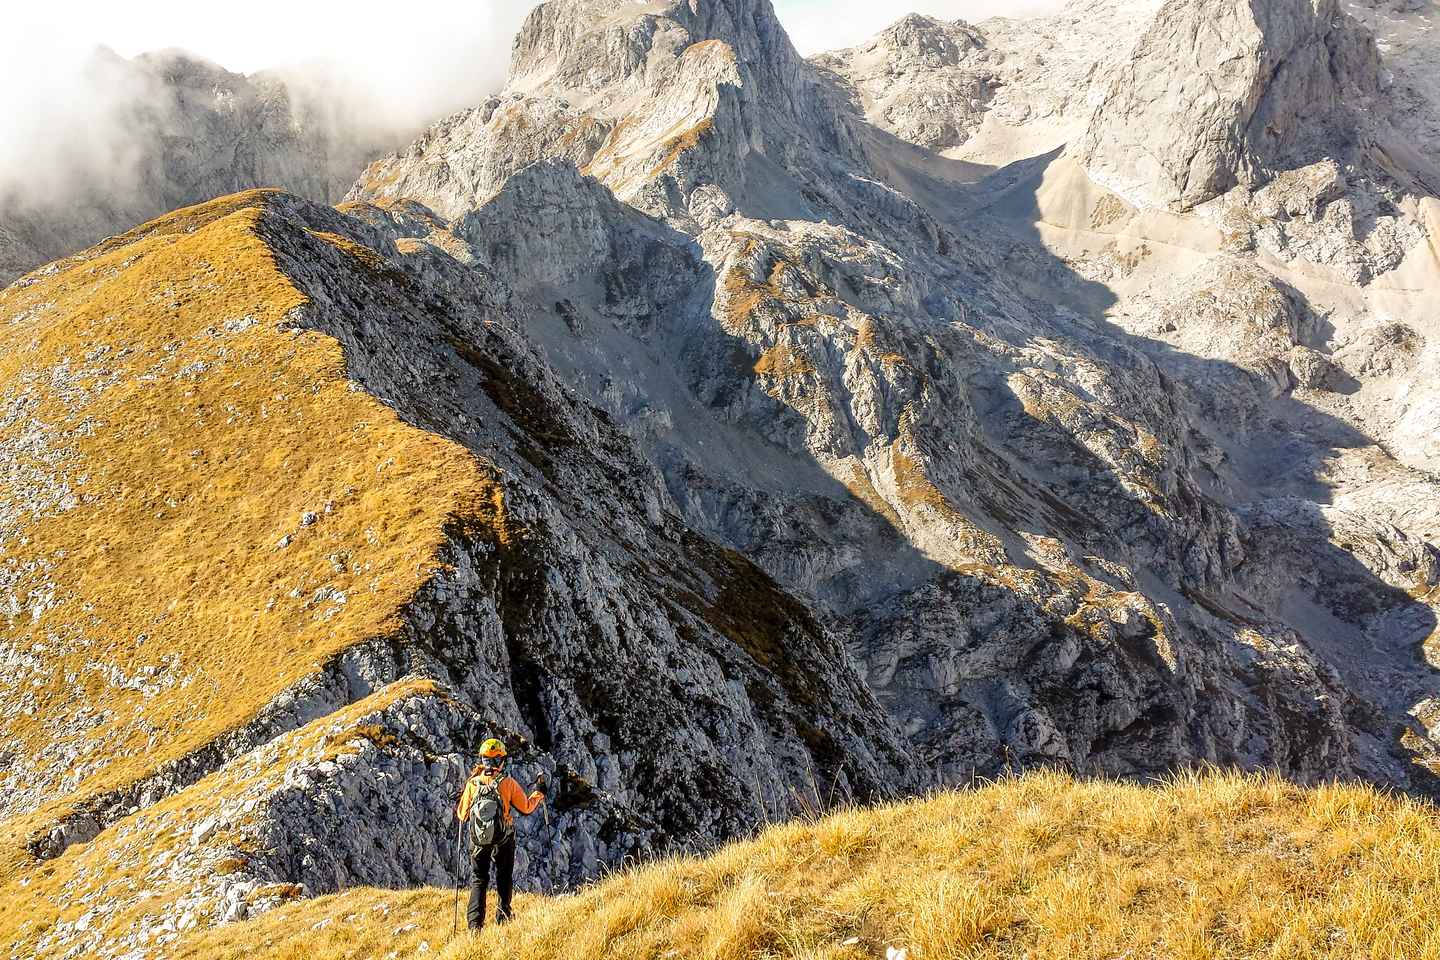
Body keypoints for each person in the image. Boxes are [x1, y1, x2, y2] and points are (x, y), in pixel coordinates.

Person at [455, 737, 546, 930]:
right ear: (501, 761)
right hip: (503, 839)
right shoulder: (508, 783)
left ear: (483, 760)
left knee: (479, 879)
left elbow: (462, 815)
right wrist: (539, 793)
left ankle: (474, 927)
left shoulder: (473, 783)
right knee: (504, 876)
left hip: (478, 841)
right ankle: (503, 917)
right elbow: (526, 808)